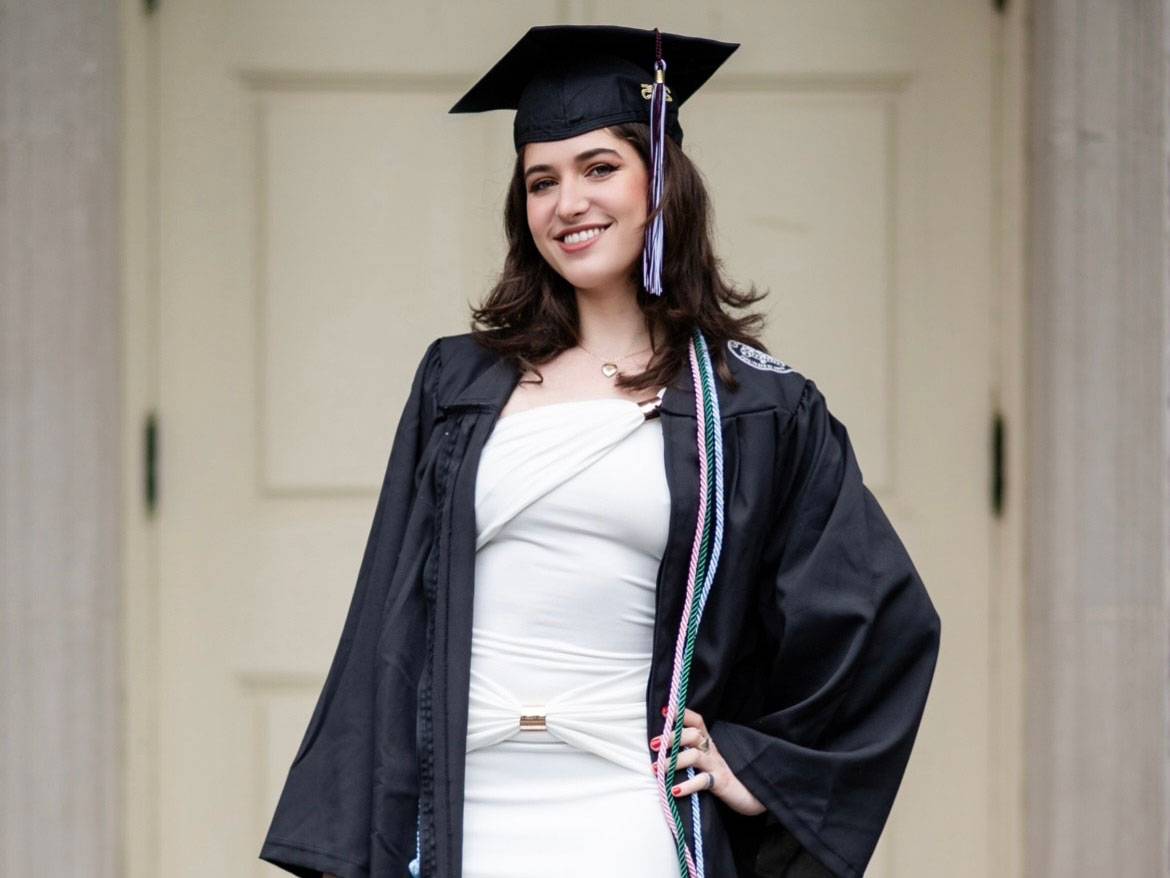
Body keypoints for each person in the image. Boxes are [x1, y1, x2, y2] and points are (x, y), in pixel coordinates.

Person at [259, 24, 941, 878]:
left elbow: (879, 614)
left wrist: (758, 763)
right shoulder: (459, 383)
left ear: (661, 180)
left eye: (600, 168)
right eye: (542, 180)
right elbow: (386, 617)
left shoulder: (754, 407)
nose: (568, 203)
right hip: (466, 806)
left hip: (626, 804)